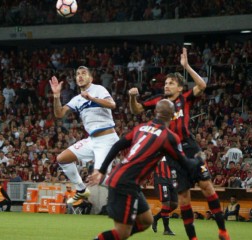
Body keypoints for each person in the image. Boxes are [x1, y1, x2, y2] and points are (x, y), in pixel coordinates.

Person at [128, 48, 229, 240]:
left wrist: (187, 66)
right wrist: (133, 97)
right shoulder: (159, 102)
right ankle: (193, 238)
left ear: (180, 88)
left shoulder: (185, 98)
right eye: (165, 83)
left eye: (171, 83)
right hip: (172, 153)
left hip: (190, 148)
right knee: (183, 197)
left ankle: (223, 231)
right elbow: (137, 110)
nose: (166, 86)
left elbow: (202, 85)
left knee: (207, 187)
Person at [88, 99, 203, 240]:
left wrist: (102, 170)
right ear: (173, 116)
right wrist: (199, 158)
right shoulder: (169, 137)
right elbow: (187, 164)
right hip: (126, 183)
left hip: (125, 180)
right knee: (122, 232)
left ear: (155, 112)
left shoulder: (141, 127)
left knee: (146, 220)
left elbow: (117, 145)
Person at [49, 66, 119, 204]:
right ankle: (81, 190)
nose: (80, 76)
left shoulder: (98, 89)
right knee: (62, 158)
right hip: (92, 140)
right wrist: (56, 97)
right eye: (78, 74)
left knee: (100, 178)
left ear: (91, 78)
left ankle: (128, 191)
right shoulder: (77, 99)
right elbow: (59, 114)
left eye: (83, 73)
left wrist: (92, 98)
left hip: (107, 140)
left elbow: (112, 105)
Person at [151, 158, 178, 235]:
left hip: (172, 180)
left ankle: (155, 218)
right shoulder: (157, 150)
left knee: (174, 204)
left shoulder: (173, 152)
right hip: (161, 179)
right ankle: (166, 229)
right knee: (166, 203)